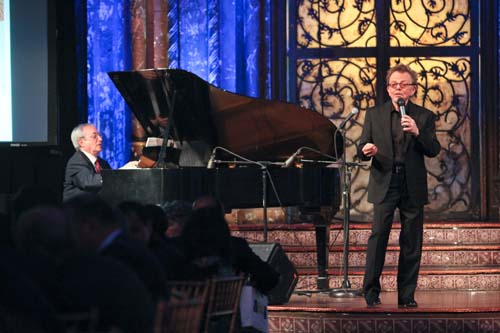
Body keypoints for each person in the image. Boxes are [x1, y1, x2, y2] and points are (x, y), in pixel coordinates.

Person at [358, 64, 441, 308]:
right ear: (388, 88)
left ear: (413, 89)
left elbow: (433, 149)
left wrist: (417, 132)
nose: (398, 89)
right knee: (378, 237)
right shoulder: (374, 114)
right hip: (385, 181)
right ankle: (371, 292)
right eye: (393, 85)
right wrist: (366, 151)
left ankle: (406, 295)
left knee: (411, 241)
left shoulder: (424, 116)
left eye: (403, 84)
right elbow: (363, 147)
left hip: (412, 183)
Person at [62, 123, 137, 202]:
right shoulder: (76, 162)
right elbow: (89, 182)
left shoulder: (102, 163)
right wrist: (121, 171)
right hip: (78, 211)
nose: (100, 139)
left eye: (99, 135)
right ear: (81, 142)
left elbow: (112, 184)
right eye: (94, 136)